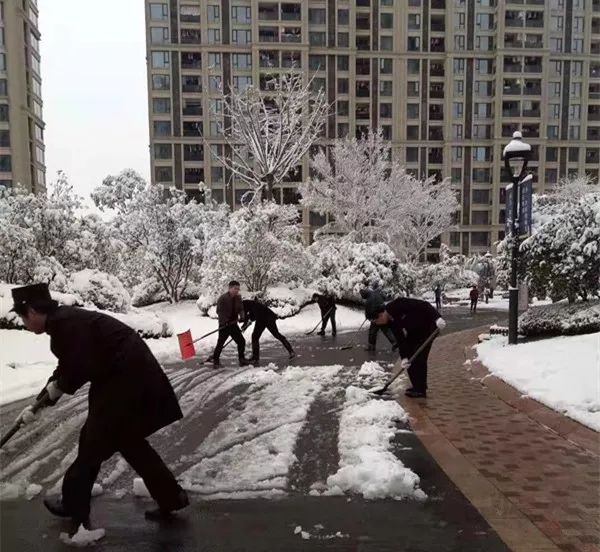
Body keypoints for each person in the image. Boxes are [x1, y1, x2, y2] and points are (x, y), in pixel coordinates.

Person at [11, 283, 188, 534]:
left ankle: (74, 504)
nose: (24, 324)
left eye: (22, 317)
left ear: (31, 311)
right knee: (129, 442)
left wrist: (59, 387)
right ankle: (171, 497)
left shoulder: (64, 325)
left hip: (124, 381)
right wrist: (42, 399)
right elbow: (69, 365)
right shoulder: (65, 322)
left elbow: (79, 365)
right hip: (126, 379)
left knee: (93, 442)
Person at [370, 297, 446, 398]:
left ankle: (420, 390)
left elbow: (425, 305)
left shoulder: (399, 304)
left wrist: (437, 317)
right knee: (410, 358)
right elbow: (400, 339)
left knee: (420, 357)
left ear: (381, 315)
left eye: (376, 321)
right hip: (414, 331)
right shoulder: (389, 322)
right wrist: (404, 357)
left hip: (429, 326)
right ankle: (417, 386)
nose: (377, 324)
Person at [242, 299, 295, 363]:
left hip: (267, 318)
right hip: (264, 317)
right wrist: (245, 324)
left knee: (272, 335)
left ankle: (255, 358)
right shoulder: (248, 303)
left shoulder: (244, 305)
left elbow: (251, 315)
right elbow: (250, 315)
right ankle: (255, 358)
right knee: (256, 337)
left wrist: (246, 324)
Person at [211, 280, 248, 367]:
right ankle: (216, 360)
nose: (237, 291)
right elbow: (219, 311)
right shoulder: (222, 298)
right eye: (235, 288)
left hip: (234, 325)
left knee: (241, 342)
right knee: (220, 343)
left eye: (238, 289)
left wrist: (242, 317)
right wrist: (225, 322)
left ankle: (241, 359)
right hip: (224, 325)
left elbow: (241, 308)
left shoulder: (238, 298)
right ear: (230, 288)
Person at [360, 285, 397, 352]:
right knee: (386, 330)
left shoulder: (369, 299)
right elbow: (383, 300)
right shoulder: (376, 293)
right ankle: (395, 342)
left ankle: (371, 346)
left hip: (376, 317)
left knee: (372, 332)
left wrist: (368, 317)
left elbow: (370, 310)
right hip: (383, 315)